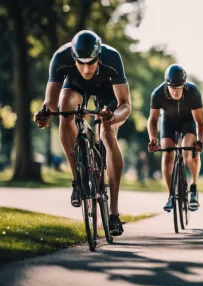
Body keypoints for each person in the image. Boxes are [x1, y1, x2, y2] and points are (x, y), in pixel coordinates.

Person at [34, 30, 131, 236]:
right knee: (64, 108)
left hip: (107, 92)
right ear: (73, 57)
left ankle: (113, 213)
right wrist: (45, 114)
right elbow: (50, 105)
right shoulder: (61, 58)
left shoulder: (112, 57)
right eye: (81, 62)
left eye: (91, 62)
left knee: (107, 134)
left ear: (99, 56)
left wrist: (113, 117)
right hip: (75, 88)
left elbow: (125, 105)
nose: (86, 69)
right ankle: (78, 180)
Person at [147, 64, 203, 212]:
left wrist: (200, 141)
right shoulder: (158, 93)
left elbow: (201, 123)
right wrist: (153, 138)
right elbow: (153, 119)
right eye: (172, 87)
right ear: (167, 84)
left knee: (189, 154)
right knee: (167, 155)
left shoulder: (193, 92)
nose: (175, 91)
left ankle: (193, 187)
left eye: (179, 87)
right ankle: (171, 194)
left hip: (188, 122)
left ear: (184, 84)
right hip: (169, 122)